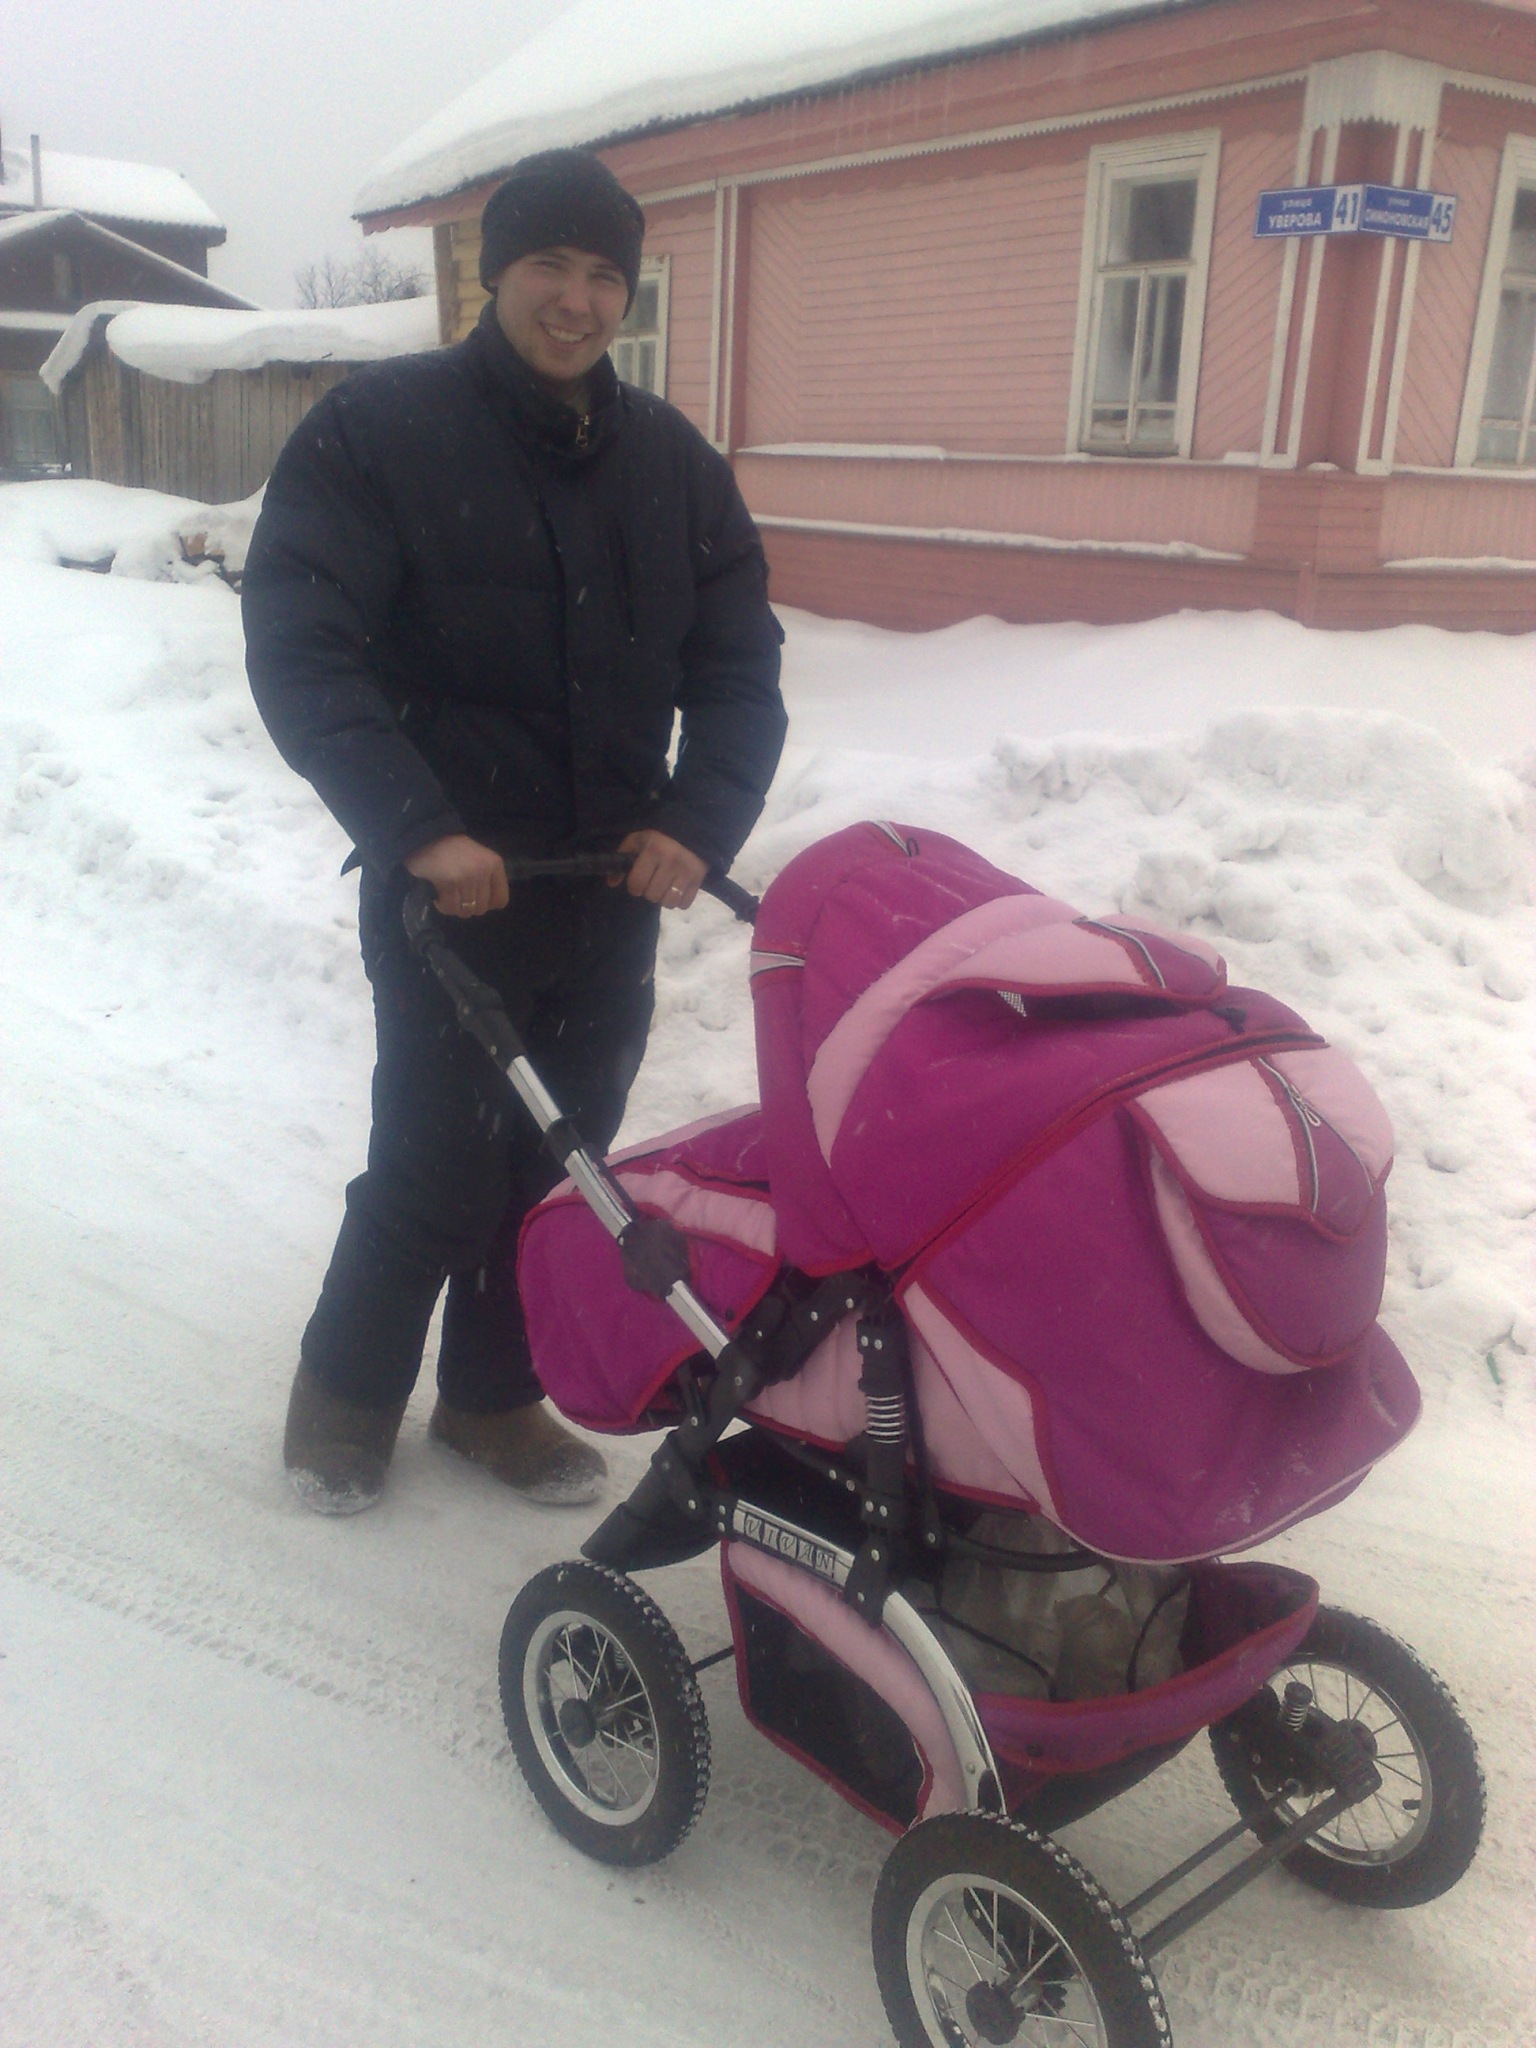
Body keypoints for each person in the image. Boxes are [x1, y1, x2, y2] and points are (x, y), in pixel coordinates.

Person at [243, 149, 786, 1516]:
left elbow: (739, 668)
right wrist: (417, 827)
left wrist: (697, 822)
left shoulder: (673, 466)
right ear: (496, 275)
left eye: (605, 274)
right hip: (451, 890)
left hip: (609, 885)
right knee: (434, 1158)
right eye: (550, 265)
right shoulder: (381, 430)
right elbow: (304, 646)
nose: (577, 299)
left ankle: (492, 1399)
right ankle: (346, 1393)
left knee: (566, 1164)